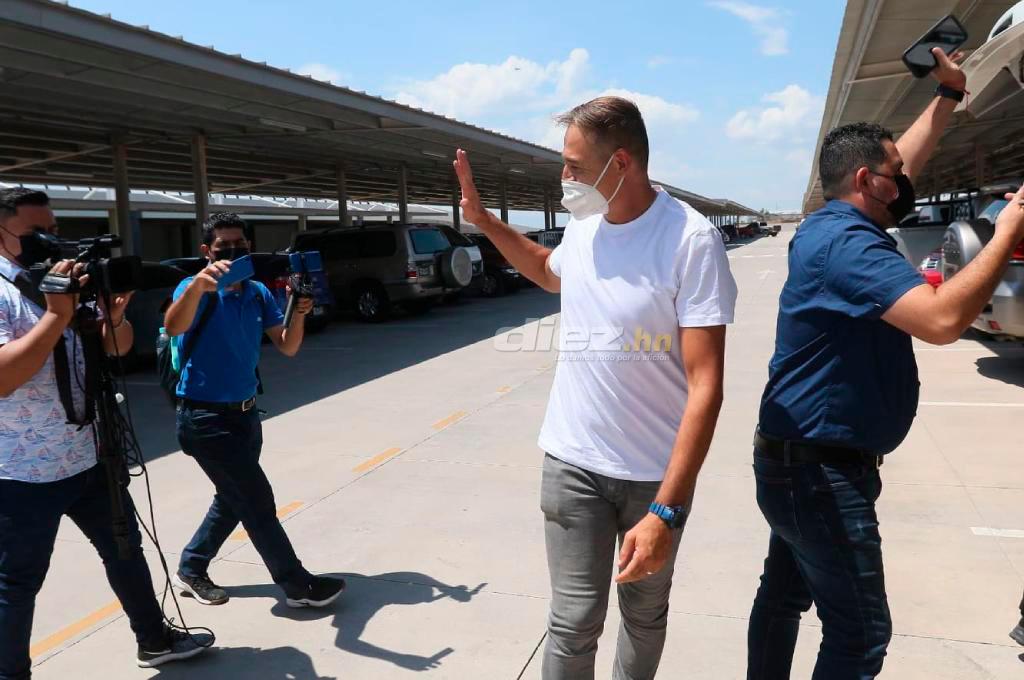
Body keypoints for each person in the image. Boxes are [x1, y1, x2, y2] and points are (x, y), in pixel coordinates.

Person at [747, 48, 1024, 679]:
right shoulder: (846, 245)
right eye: (894, 172)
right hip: (820, 476)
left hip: (800, 464)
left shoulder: (830, 225)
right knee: (861, 634)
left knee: (783, 599)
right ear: (869, 183)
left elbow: (904, 155)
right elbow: (942, 322)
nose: (906, 179)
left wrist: (949, 95)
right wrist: (1008, 227)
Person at [454, 96, 737, 680]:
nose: (565, 178)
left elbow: (706, 384)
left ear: (623, 163)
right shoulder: (584, 231)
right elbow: (544, 270)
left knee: (644, 613)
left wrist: (667, 507)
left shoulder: (689, 240)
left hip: (653, 477)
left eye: (575, 166)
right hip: (573, 465)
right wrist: (484, 221)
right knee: (573, 621)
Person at [0, 188, 214, 678]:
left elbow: (117, 349)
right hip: (23, 472)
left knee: (124, 548)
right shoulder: (10, 291)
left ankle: (154, 639)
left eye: (54, 231)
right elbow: (4, 378)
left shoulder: (58, 281)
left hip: (89, 454)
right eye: (37, 233)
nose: (50, 242)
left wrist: (112, 315)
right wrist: (57, 313)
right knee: (18, 582)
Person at [164, 212, 344, 609]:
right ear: (205, 252)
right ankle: (296, 585)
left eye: (239, 246)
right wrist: (198, 285)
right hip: (204, 418)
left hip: (246, 414)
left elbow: (287, 345)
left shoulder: (257, 293)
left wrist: (298, 310)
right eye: (222, 248)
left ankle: (192, 566)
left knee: (232, 498)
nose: (232, 254)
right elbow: (173, 326)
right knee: (257, 501)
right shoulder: (192, 289)